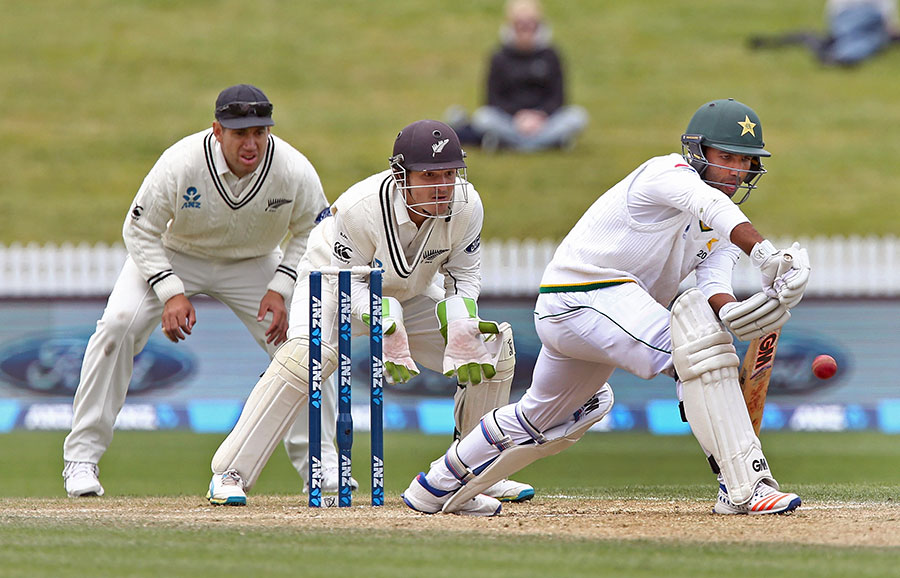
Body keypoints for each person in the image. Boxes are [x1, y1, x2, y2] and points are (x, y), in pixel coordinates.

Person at [400, 98, 812, 517]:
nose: (735, 171)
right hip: (584, 292)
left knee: (543, 416)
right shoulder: (666, 173)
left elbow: (714, 287)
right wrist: (765, 253)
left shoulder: (724, 226)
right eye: (726, 157)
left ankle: (434, 486)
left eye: (745, 161)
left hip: (587, 313)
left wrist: (738, 312)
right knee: (698, 346)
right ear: (697, 152)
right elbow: (711, 206)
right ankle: (744, 484)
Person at [205, 119, 533, 510]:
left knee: (493, 346)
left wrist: (462, 324)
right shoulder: (362, 207)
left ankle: (475, 470)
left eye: (449, 173)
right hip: (333, 280)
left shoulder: (466, 204)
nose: (443, 186)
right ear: (401, 175)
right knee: (305, 358)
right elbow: (351, 285)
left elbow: (464, 274)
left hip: (408, 290)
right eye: (429, 175)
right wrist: (385, 319)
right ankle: (229, 473)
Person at [62, 84, 332, 498]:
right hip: (177, 253)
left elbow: (315, 231)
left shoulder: (292, 169)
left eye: (259, 132)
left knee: (308, 345)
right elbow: (139, 230)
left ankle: (321, 467)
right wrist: (170, 291)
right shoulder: (181, 163)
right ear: (217, 130)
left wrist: (280, 285)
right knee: (116, 327)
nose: (251, 143)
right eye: (240, 133)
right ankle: (81, 458)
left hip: (254, 260)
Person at [447, 0, 588, 152]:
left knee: (577, 116)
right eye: (520, 24)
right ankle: (546, 143)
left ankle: (512, 144)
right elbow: (492, 98)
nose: (525, 29)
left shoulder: (551, 55)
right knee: (484, 117)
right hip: (511, 121)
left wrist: (539, 116)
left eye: (530, 24)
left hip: (544, 122)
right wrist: (519, 116)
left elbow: (558, 97)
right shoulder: (499, 57)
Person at [748, 0, 900, 66]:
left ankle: (840, 56)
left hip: (851, 24)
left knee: (869, 38)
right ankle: (844, 57)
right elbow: (885, 17)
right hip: (860, 21)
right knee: (870, 38)